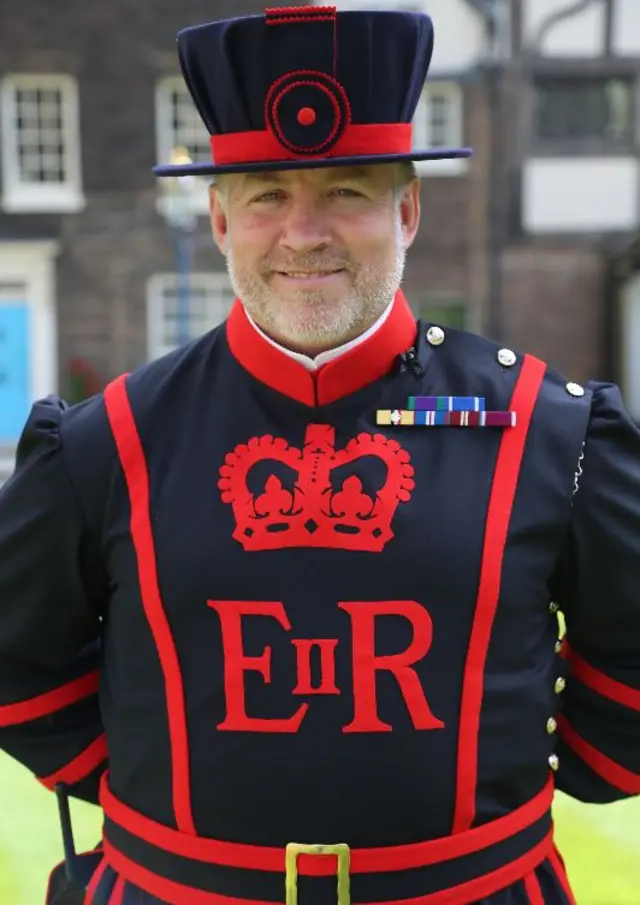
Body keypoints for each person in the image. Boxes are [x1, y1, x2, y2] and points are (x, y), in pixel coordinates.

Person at [0, 6, 639, 905]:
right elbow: (13, 650)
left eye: (348, 190)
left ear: (407, 208)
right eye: (265, 194)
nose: (304, 233)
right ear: (219, 220)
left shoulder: (549, 430)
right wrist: (152, 784)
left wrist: (551, 781)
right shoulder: (107, 441)